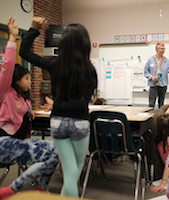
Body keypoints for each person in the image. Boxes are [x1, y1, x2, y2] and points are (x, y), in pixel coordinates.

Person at [20, 17, 97, 197]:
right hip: (80, 123)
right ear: (85, 44)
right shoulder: (90, 70)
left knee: (70, 170)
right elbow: (84, 99)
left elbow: (24, 52)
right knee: (76, 167)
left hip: (57, 122)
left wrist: (33, 29)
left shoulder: (54, 64)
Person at [0, 17, 59, 199]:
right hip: (3, 143)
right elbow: (8, 65)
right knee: (49, 158)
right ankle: (12, 189)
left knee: (58, 150)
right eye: (26, 78)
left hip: (20, 141)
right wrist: (12, 37)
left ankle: (41, 188)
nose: (29, 81)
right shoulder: (4, 91)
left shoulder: (22, 98)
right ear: (15, 79)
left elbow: (22, 115)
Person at [144, 42, 169, 108]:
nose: (163, 50)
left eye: (164, 49)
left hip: (163, 85)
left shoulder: (166, 60)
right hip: (153, 85)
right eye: (161, 49)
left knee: (161, 104)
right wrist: (151, 77)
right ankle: (151, 117)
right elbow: (146, 72)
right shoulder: (150, 59)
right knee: (151, 104)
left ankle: (160, 118)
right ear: (157, 49)